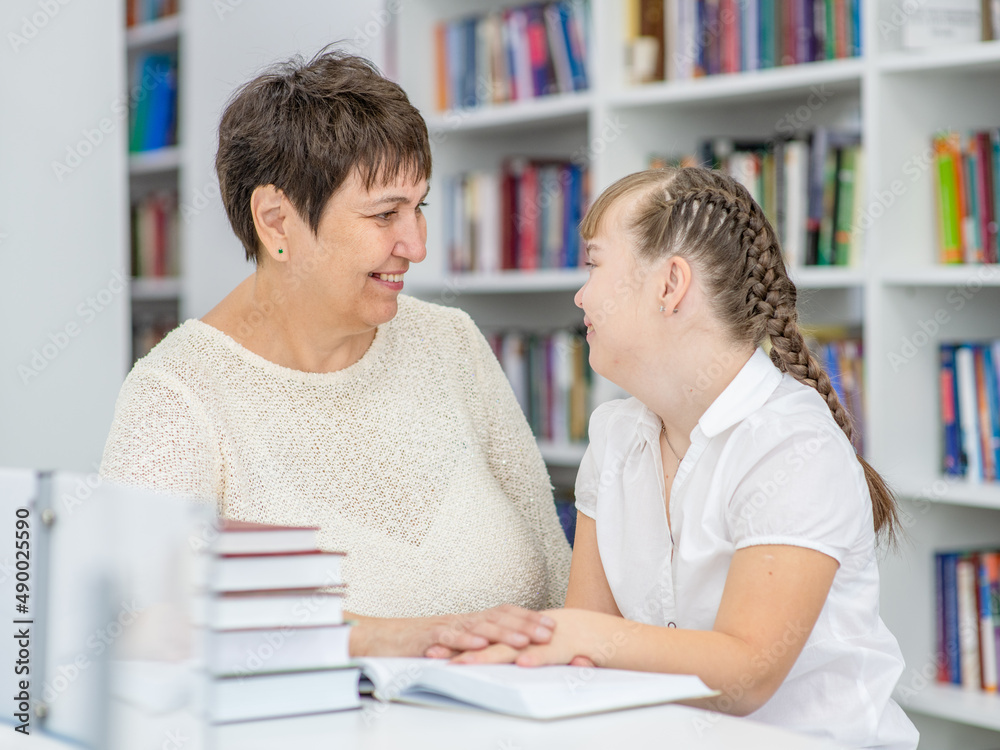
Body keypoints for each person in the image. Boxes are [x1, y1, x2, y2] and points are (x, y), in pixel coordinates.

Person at [100, 48, 570, 657]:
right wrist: (391, 639)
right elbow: (138, 631)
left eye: (419, 206)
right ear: (275, 222)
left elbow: (559, 581)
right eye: (385, 214)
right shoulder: (176, 397)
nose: (417, 244)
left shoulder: (452, 343)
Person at [448, 167, 919, 749]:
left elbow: (747, 675)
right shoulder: (615, 435)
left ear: (670, 285)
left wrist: (577, 635)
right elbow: (587, 659)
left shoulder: (792, 445)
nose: (580, 294)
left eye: (595, 264)